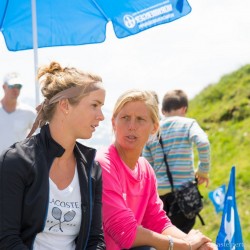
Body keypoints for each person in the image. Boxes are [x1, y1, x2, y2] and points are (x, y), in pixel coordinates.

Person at [0, 62, 106, 249]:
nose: (101, 116)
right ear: (65, 105)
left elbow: (95, 239)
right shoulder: (17, 161)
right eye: (94, 105)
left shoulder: (92, 169)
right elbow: (7, 239)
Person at [96, 89, 216, 250]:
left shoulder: (146, 169)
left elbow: (157, 221)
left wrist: (199, 244)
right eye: (125, 118)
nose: (131, 126)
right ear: (113, 122)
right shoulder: (103, 164)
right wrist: (185, 245)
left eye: (140, 119)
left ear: (154, 127)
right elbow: (125, 232)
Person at [142, 89, 211, 233]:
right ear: (184, 109)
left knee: (165, 238)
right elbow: (203, 143)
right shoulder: (188, 124)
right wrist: (203, 171)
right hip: (184, 195)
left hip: (159, 199)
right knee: (182, 237)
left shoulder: (152, 130)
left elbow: (147, 167)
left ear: (162, 110)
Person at [0, 72, 36, 153]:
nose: (15, 90)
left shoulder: (29, 112)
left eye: (18, 86)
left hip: (19, 164)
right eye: (12, 86)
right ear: (3, 87)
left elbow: (38, 138)